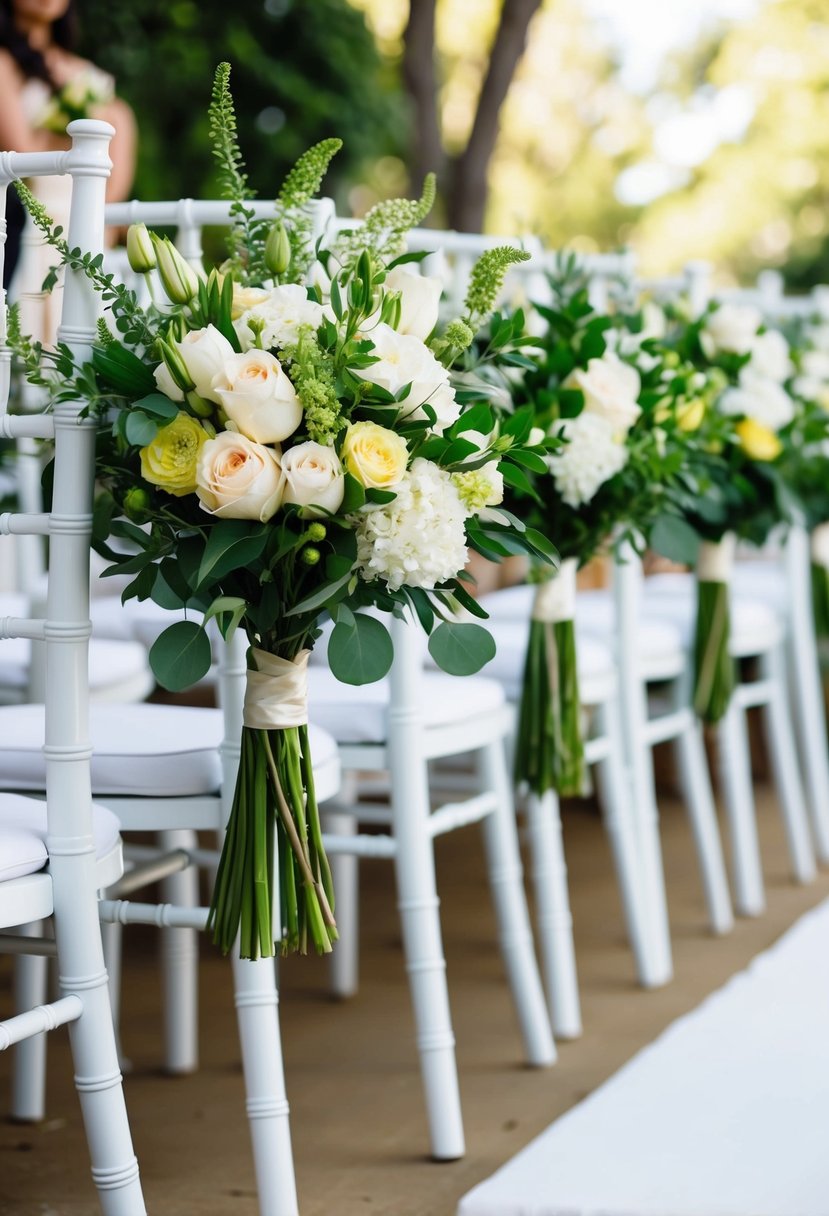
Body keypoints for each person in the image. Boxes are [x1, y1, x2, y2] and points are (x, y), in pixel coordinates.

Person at [0, 0, 136, 339]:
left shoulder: (84, 72)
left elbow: (117, 144)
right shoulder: (3, 64)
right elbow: (21, 155)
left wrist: (101, 209)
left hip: (90, 206)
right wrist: (61, 124)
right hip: (30, 211)